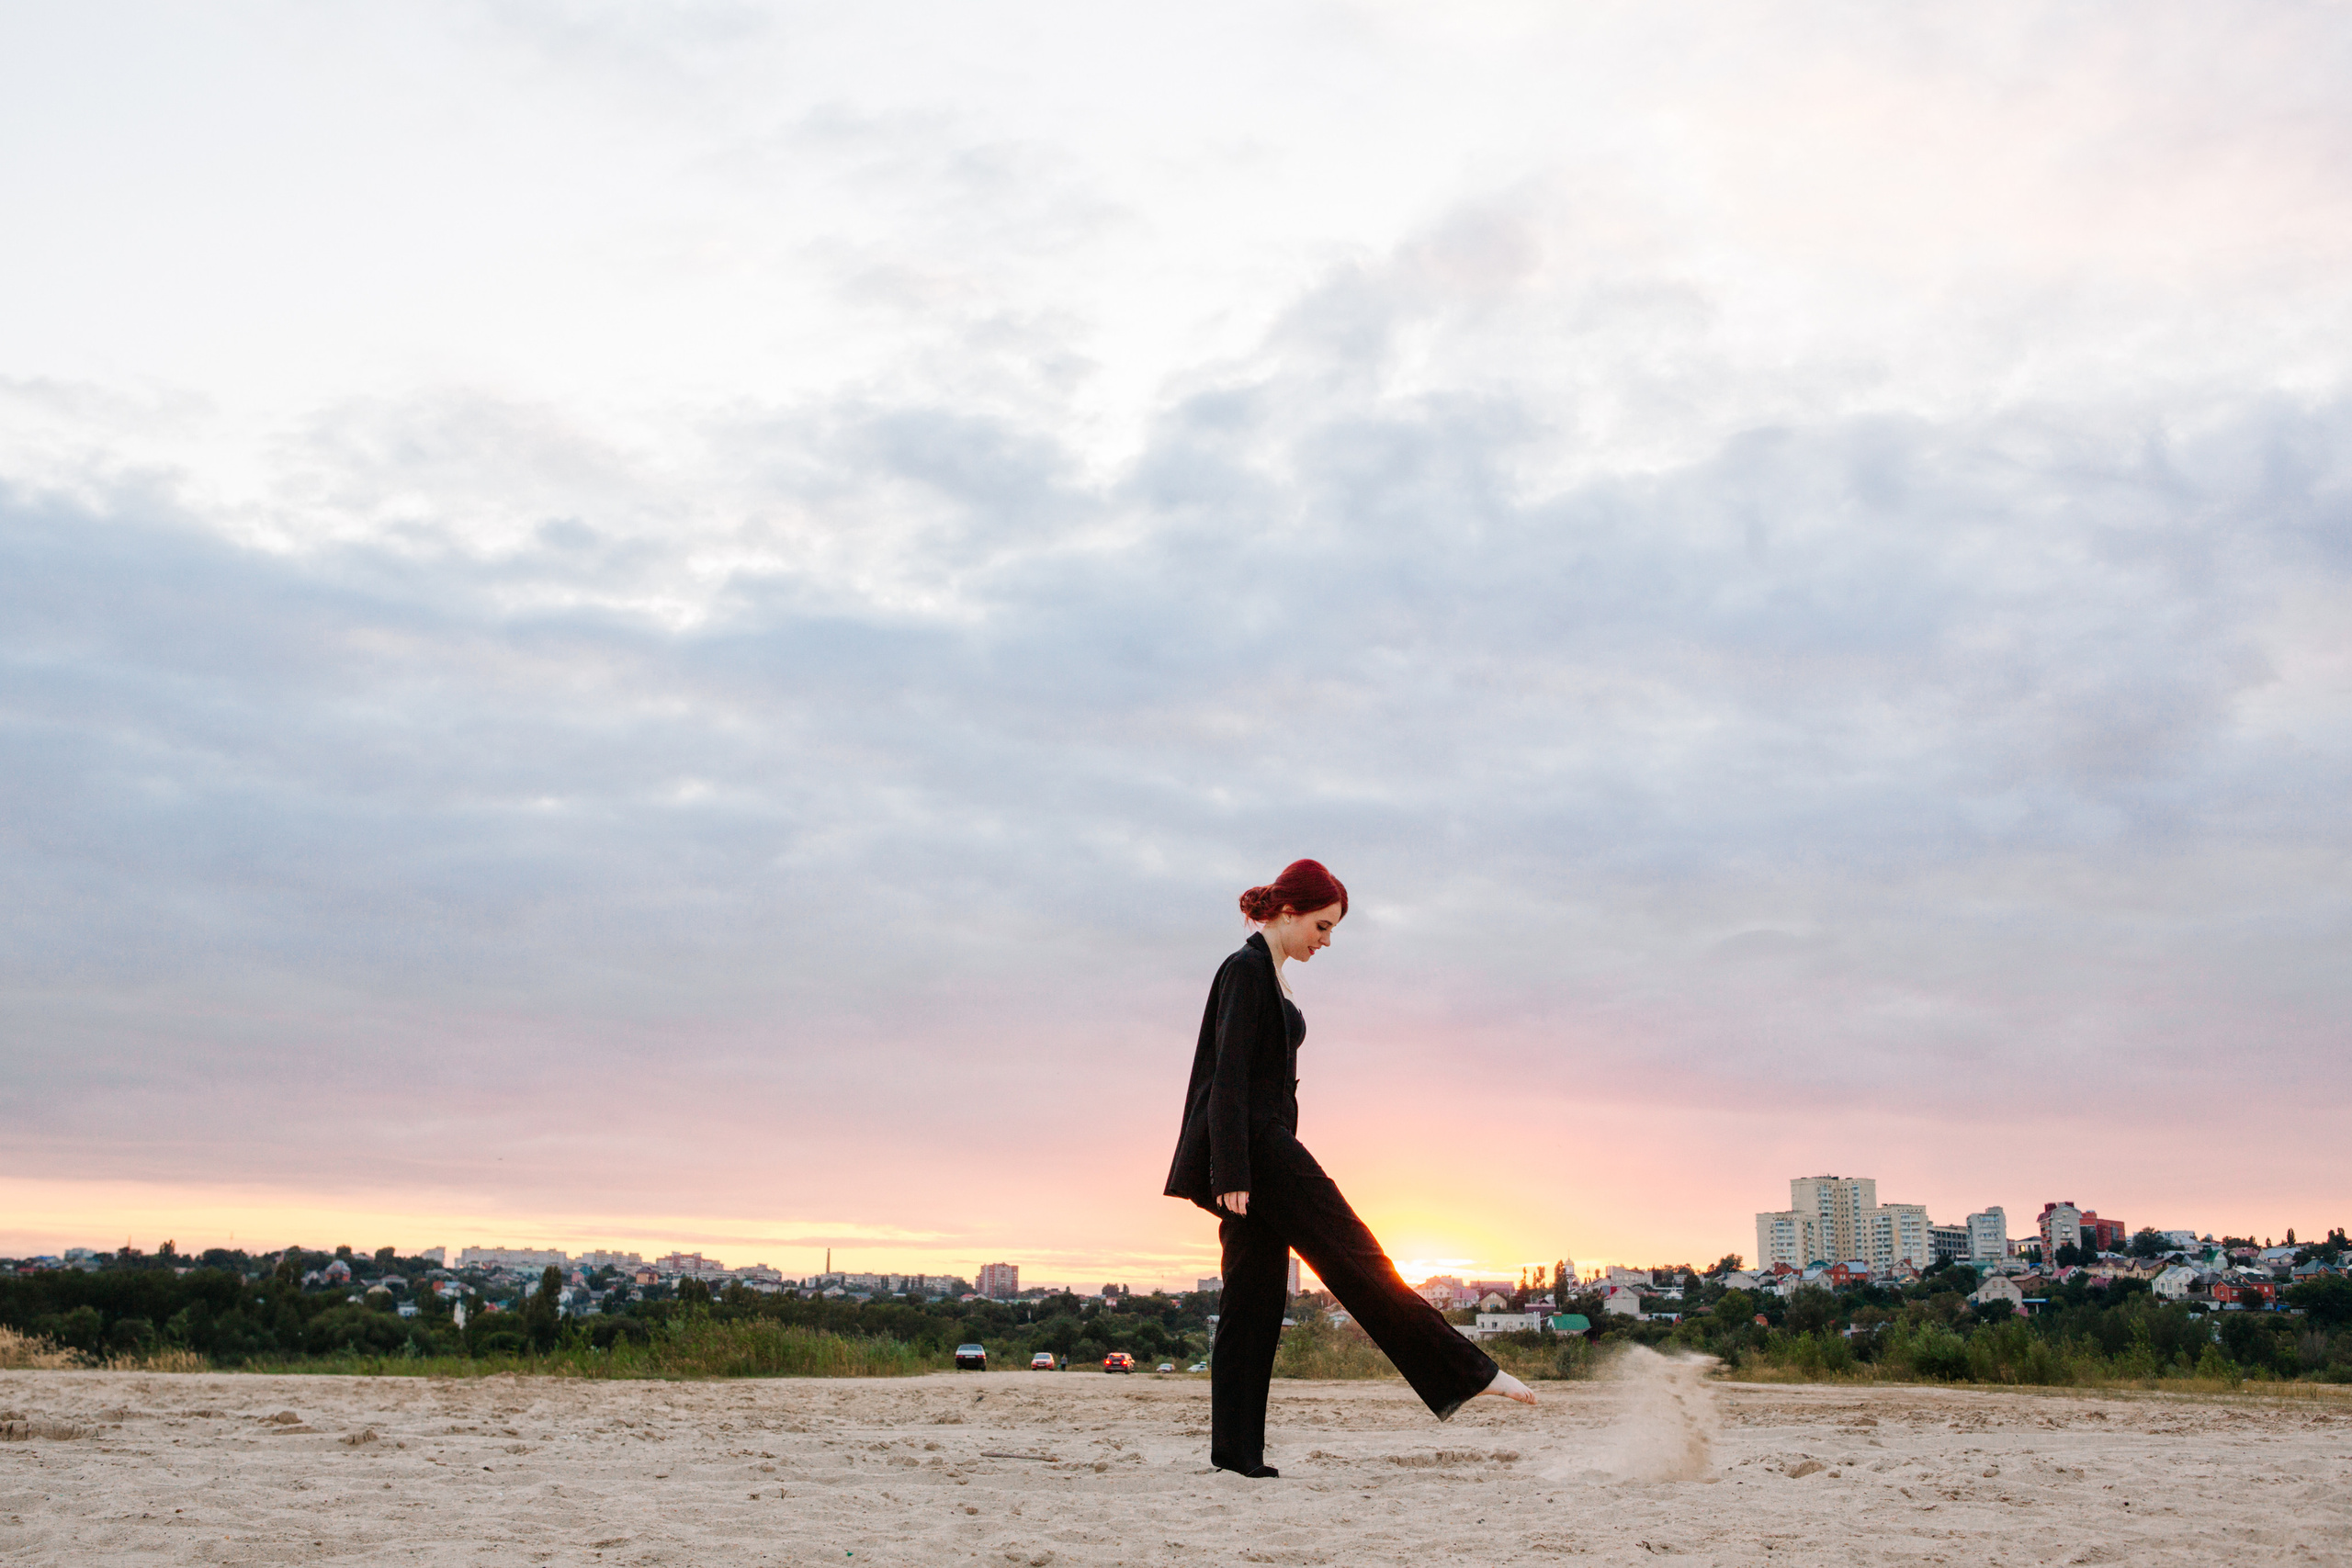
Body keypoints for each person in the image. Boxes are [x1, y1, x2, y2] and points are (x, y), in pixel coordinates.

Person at [1164, 859, 1533, 1478]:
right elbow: (1225, 1076)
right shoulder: (1245, 969)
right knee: (1355, 1255)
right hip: (1256, 1150)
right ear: (1286, 911)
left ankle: (1235, 1454)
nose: (1326, 940)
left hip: (1257, 1150)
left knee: (1251, 1300)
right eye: (1322, 924)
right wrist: (1231, 1168)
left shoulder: (1270, 976)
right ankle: (1469, 1371)